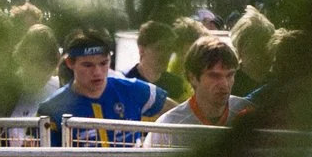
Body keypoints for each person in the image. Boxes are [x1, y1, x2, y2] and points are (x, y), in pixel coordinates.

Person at [37, 26, 165, 128]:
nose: (97, 72)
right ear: (70, 63)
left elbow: (176, 112)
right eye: (88, 65)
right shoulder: (52, 109)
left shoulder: (132, 89)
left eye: (103, 63)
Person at [149, 34, 248, 130]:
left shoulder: (248, 113)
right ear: (193, 78)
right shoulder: (169, 125)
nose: (224, 84)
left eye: (229, 75)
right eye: (214, 76)